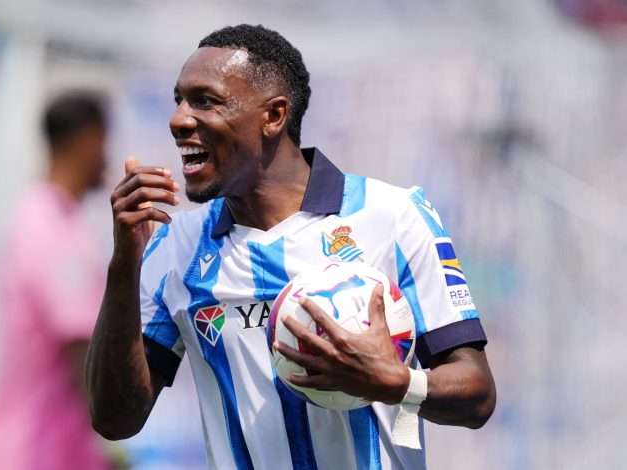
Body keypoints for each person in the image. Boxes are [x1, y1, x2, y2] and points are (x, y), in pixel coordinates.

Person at [87, 25, 496, 470]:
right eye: (179, 100)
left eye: (204, 100)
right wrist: (124, 264)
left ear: (274, 116)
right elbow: (115, 419)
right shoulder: (176, 245)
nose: (179, 119)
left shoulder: (393, 217)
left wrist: (397, 383)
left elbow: (476, 392)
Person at [0, 92, 112, 470]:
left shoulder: (47, 218)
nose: (106, 156)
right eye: (104, 142)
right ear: (88, 140)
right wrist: (113, 436)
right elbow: (77, 345)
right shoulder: (49, 228)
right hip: (36, 451)